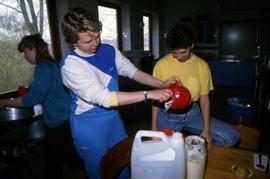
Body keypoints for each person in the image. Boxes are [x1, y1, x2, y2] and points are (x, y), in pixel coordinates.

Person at [60, 7, 177, 179]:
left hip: (113, 118)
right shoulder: (71, 66)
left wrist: (162, 83)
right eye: (88, 41)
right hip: (89, 125)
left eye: (97, 35)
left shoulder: (108, 50)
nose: (96, 43)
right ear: (73, 42)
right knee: (100, 172)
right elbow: (105, 98)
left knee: (123, 166)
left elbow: (133, 72)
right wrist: (148, 94)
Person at [0, 34, 77, 179]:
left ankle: (105, 170)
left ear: (33, 49)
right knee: (59, 160)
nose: (24, 56)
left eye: (25, 51)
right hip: (63, 119)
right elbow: (41, 91)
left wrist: (3, 102)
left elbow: (32, 99)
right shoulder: (50, 64)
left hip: (59, 123)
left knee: (61, 161)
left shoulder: (43, 68)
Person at [151, 23, 240, 150]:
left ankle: (196, 153)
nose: (178, 57)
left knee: (231, 137)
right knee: (162, 150)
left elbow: (204, 98)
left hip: (193, 113)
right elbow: (155, 99)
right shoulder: (161, 65)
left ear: (192, 44)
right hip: (167, 114)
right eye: (174, 53)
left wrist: (206, 129)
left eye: (182, 52)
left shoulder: (202, 66)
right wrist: (154, 126)